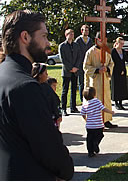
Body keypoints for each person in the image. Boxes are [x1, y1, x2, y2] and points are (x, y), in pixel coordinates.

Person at [0, 10, 74, 180]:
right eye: (44, 36)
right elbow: (49, 149)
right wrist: (66, 169)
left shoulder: (3, 74)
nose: (48, 43)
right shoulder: (26, 86)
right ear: (25, 37)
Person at [84, 32, 117, 128]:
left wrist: (107, 69)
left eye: (105, 40)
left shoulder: (107, 51)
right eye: (102, 39)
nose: (104, 41)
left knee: (106, 99)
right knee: (96, 99)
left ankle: (106, 119)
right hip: (96, 81)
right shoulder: (90, 52)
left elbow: (111, 63)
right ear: (97, 40)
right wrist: (97, 70)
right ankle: (96, 121)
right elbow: (86, 66)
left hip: (105, 80)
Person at [81, 87, 115, 157]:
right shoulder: (97, 101)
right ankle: (95, 143)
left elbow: (83, 114)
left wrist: (86, 119)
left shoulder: (85, 104)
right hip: (98, 124)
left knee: (89, 138)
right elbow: (103, 109)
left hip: (89, 125)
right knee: (100, 135)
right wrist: (111, 112)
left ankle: (90, 152)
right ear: (94, 94)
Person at [32, 63, 62, 128]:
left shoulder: (45, 87)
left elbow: (55, 101)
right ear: (39, 75)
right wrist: (57, 115)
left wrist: (58, 114)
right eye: (45, 73)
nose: (47, 75)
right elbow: (54, 102)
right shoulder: (42, 88)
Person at [59, 29, 80, 115]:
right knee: (65, 90)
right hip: (67, 72)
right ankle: (63, 108)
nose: (71, 35)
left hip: (75, 72)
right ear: (66, 35)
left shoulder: (76, 45)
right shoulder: (62, 46)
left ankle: (73, 107)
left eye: (72, 33)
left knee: (74, 90)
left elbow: (79, 57)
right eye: (69, 34)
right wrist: (70, 68)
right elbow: (63, 59)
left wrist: (76, 67)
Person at [75, 24, 94, 104]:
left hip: (89, 64)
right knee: (81, 83)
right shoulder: (78, 40)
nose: (86, 32)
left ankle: (89, 97)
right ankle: (82, 98)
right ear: (81, 31)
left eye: (87, 30)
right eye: (85, 30)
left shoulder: (90, 40)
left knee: (89, 81)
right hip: (80, 64)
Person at [111, 37, 128, 110]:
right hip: (115, 71)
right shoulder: (113, 51)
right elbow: (112, 61)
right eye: (121, 43)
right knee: (116, 87)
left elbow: (127, 59)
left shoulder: (123, 51)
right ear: (117, 43)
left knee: (122, 87)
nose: (122, 45)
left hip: (123, 71)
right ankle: (116, 103)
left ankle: (121, 103)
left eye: (123, 44)